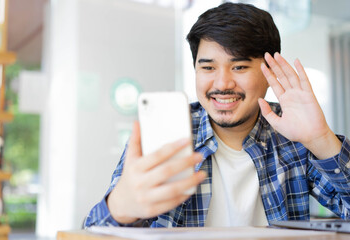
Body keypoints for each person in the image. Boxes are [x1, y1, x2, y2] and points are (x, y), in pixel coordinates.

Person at [84, 2, 350, 228]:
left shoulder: (291, 133)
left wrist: (321, 138)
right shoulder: (166, 134)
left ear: (270, 71)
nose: (222, 83)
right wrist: (119, 207)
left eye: (239, 66)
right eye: (208, 67)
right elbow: (90, 233)